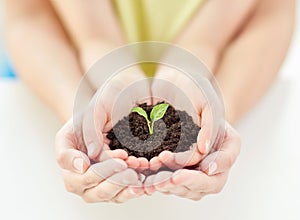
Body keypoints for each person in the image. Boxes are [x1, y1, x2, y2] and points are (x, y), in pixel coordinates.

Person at [5, 0, 295, 203]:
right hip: (59, 63)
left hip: (227, 68)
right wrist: (80, 108)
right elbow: (28, 14)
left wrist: (218, 108)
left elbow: (272, 12)